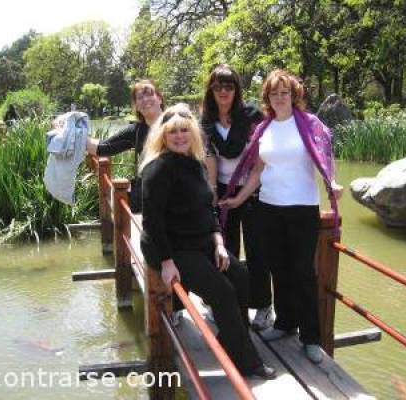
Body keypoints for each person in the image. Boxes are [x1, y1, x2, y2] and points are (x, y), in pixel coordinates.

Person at [139, 103, 276, 379]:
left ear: (192, 134)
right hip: (171, 247)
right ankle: (247, 362)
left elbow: (207, 209)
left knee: (240, 277)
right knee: (222, 293)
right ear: (163, 136)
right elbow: (152, 222)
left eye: (184, 131)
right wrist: (166, 262)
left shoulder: (195, 164)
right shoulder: (158, 169)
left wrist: (219, 242)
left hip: (201, 241)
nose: (179, 136)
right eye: (173, 132)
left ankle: (231, 339)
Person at [220, 70, 343, 364]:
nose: (279, 97)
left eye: (284, 92)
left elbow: (325, 158)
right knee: (278, 267)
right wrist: (238, 197)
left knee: (303, 271)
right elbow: (259, 171)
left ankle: (311, 337)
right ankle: (285, 322)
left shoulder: (310, 125)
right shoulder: (263, 129)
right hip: (268, 207)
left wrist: (333, 183)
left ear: (294, 95)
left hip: (302, 207)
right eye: (274, 93)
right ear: (268, 98)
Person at [201, 64, 273, 331]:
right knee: (225, 250)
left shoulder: (251, 116)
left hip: (252, 191)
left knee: (257, 250)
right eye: (218, 86)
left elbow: (258, 165)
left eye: (229, 86)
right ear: (211, 90)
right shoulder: (206, 121)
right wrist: (212, 194)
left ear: (236, 90)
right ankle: (225, 302)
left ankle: (264, 307)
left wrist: (241, 197)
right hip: (222, 191)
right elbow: (209, 161)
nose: (223, 91)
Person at [86, 79, 164, 157]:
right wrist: (78, 135)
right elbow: (103, 148)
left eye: (149, 94)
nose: (145, 99)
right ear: (136, 106)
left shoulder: (174, 123)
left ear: (159, 99)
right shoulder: (136, 131)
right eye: (140, 97)